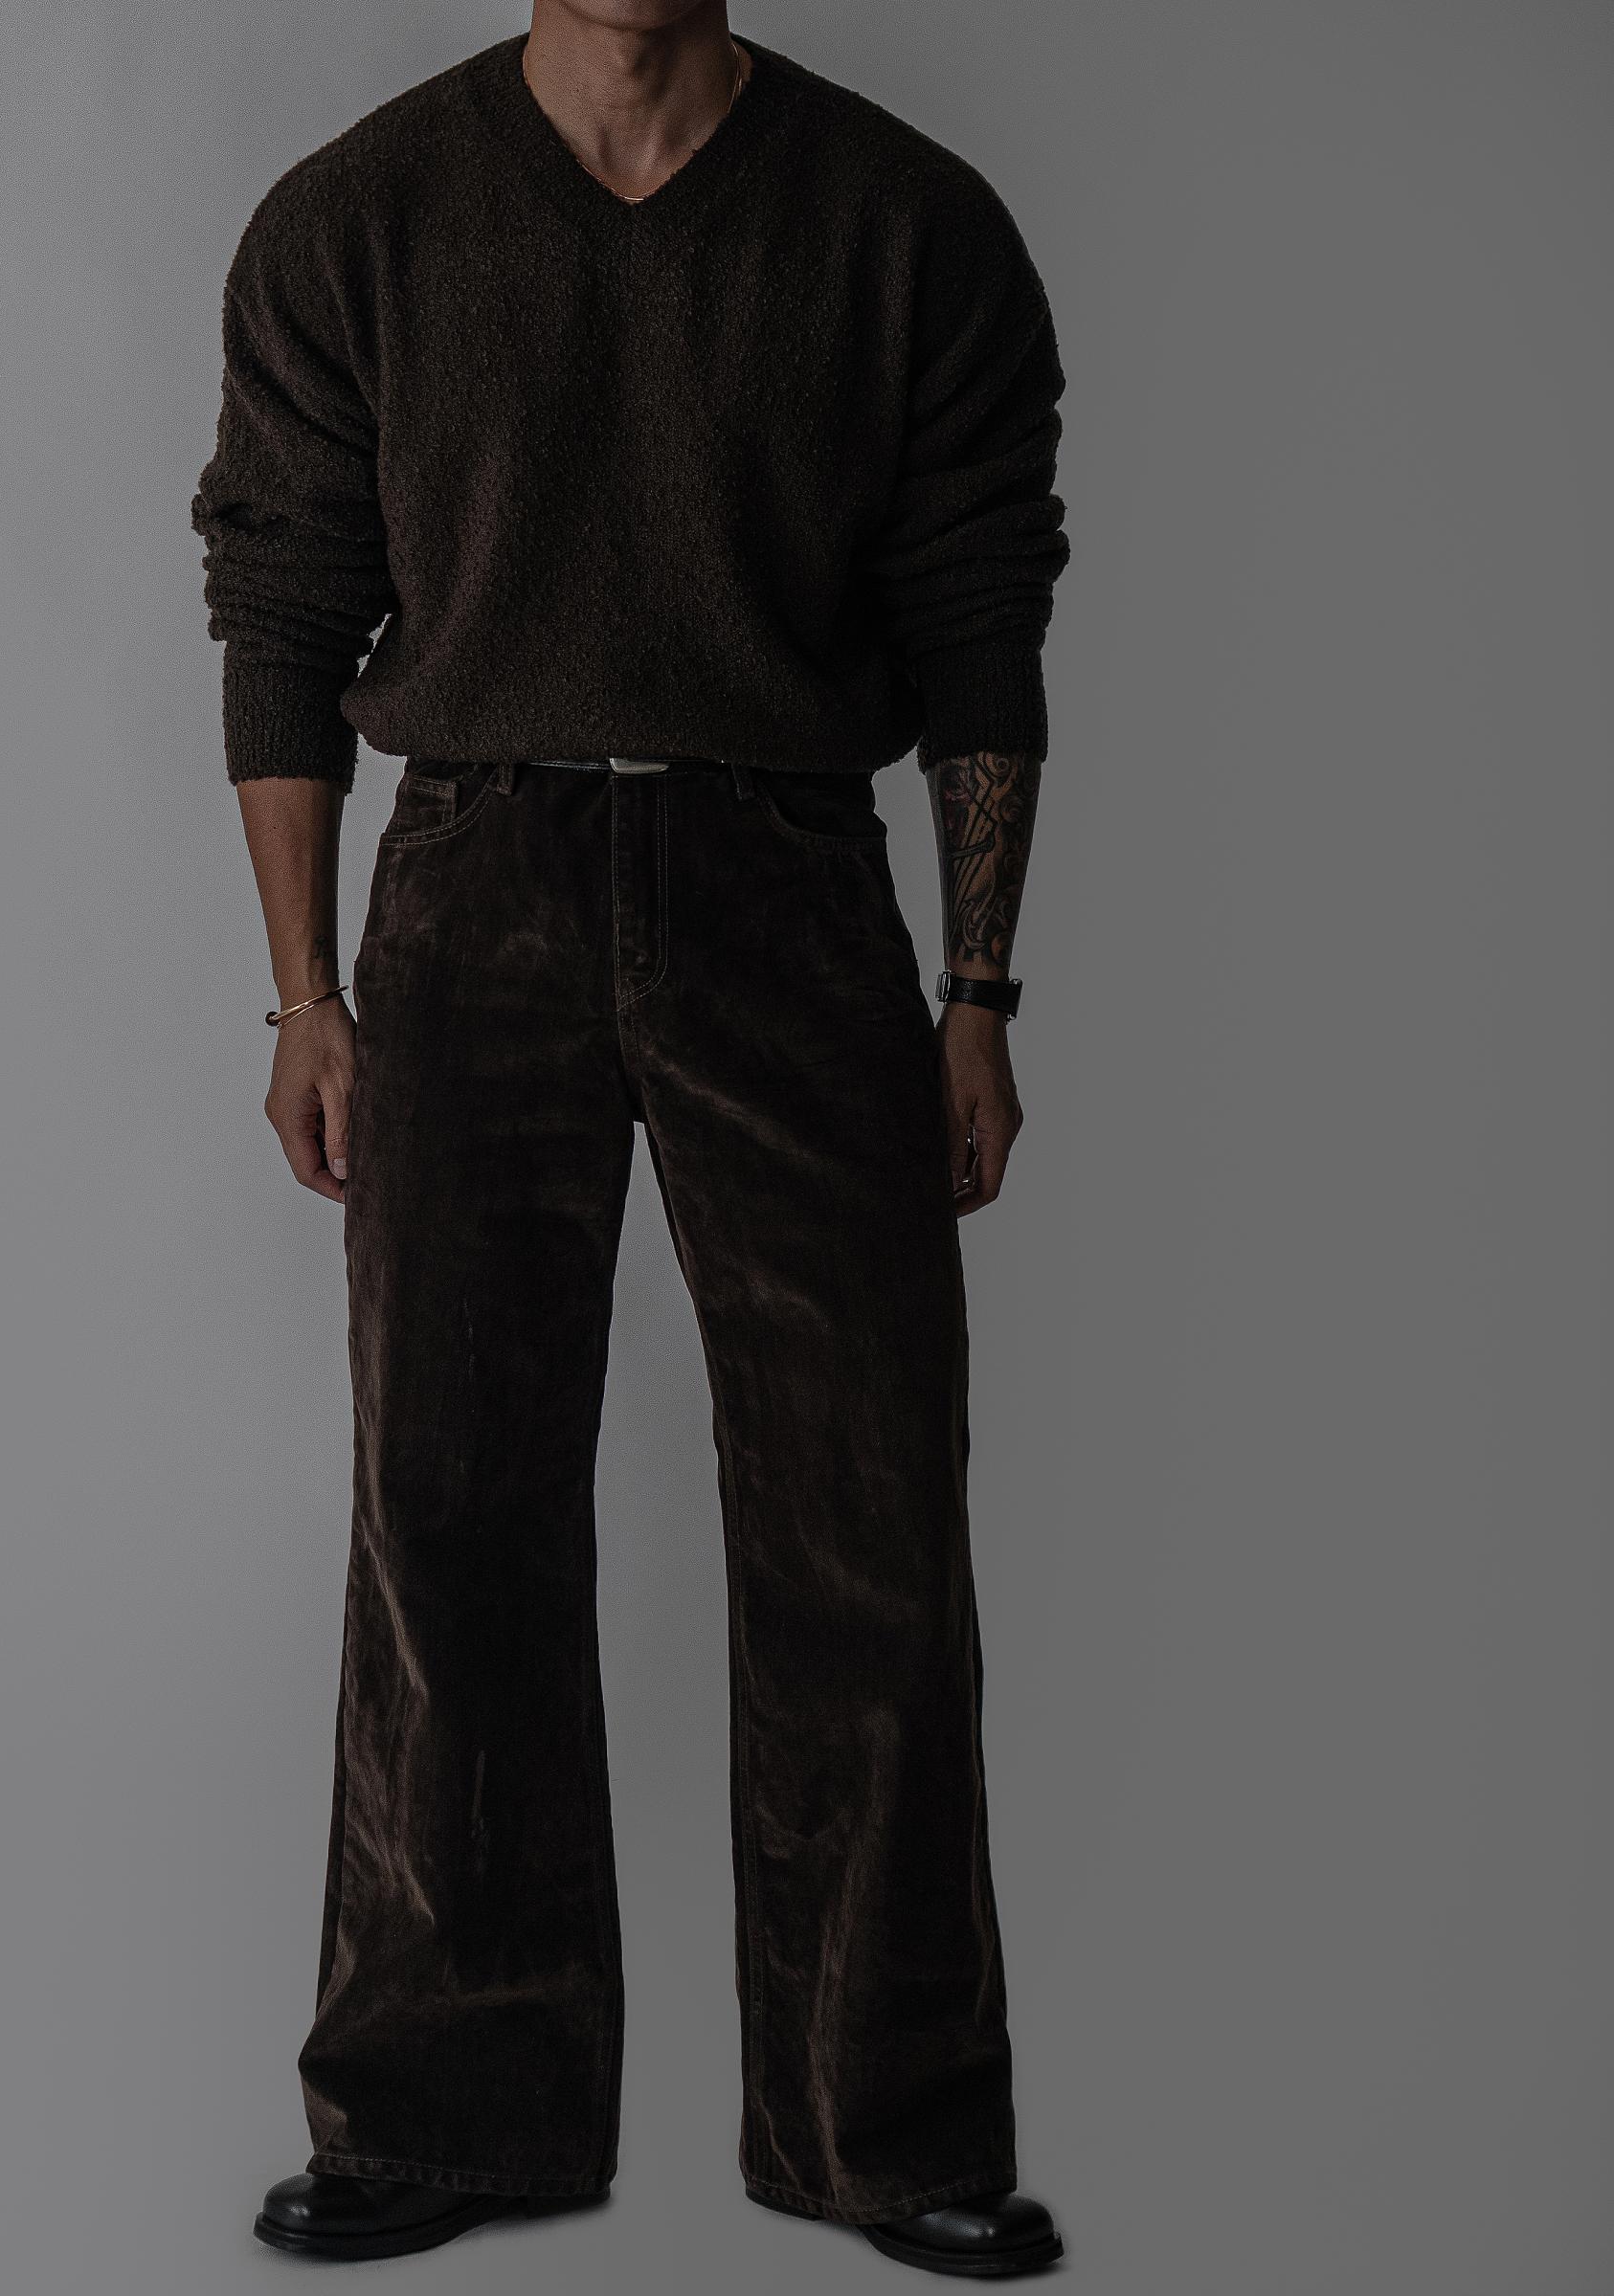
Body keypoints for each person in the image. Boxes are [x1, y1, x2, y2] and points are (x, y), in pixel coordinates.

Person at [190, 0, 1072, 2276]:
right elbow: (279, 602)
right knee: (446, 1501)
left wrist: (978, 990)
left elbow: (980, 608)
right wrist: (306, 993)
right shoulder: (358, 220)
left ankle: (890, 2123)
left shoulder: (905, 227)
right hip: (469, 885)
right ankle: (435, 2111)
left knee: (867, 1513)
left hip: (791, 888)